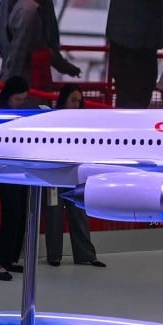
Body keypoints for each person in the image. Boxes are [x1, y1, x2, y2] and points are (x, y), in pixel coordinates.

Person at [44, 84, 104, 268]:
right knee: (54, 215)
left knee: (79, 214)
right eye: (73, 100)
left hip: (77, 175)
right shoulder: (52, 120)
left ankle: (85, 255)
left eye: (79, 101)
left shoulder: (84, 123)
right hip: (54, 175)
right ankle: (54, 256)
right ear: (64, 100)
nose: (76, 104)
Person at [0, 76, 32, 282]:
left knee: (21, 214)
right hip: (5, 170)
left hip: (21, 169)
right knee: (11, 214)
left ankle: (10, 259)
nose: (20, 103)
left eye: (23, 100)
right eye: (18, 99)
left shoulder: (21, 114)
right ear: (8, 96)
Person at [0, 0, 49, 84]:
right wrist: (7, 83)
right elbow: (18, 50)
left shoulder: (22, 6)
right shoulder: (29, 11)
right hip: (25, 80)